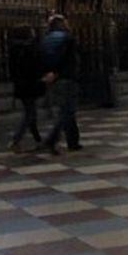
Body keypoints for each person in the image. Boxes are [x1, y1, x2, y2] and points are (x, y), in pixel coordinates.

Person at [40, 14, 83, 155]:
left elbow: (42, 58)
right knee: (67, 111)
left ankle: (73, 142)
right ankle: (52, 139)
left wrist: (48, 73)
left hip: (52, 79)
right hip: (66, 78)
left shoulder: (46, 40)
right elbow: (70, 61)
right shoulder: (68, 39)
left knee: (65, 110)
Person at [7, 25, 44, 151]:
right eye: (31, 31)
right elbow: (33, 67)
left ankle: (38, 139)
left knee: (31, 112)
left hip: (21, 84)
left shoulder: (14, 48)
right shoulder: (27, 49)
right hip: (29, 84)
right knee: (30, 114)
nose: (34, 33)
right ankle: (16, 140)